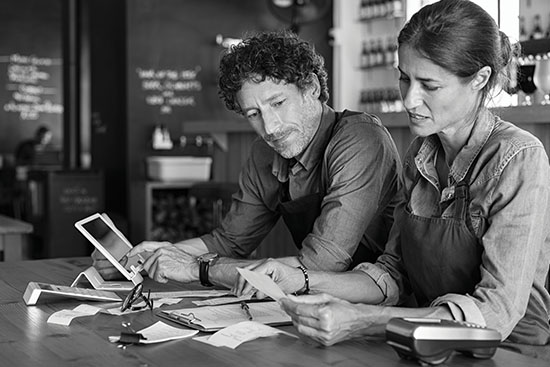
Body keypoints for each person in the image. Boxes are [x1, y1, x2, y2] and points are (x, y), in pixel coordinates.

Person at [235, 0, 550, 360]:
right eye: (404, 78)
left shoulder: (519, 157)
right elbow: (392, 271)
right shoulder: (420, 154)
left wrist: (364, 320)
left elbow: (495, 313)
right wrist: (304, 282)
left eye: (429, 85)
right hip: (424, 343)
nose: (410, 99)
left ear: (479, 79)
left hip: (508, 354)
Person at [92, 30, 402, 289]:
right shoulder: (264, 152)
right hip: (315, 304)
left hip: (382, 306)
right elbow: (229, 241)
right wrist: (151, 255)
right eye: (254, 114)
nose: (270, 127)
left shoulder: (360, 139)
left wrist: (197, 269)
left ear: (312, 88)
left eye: (278, 103)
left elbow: (321, 264)